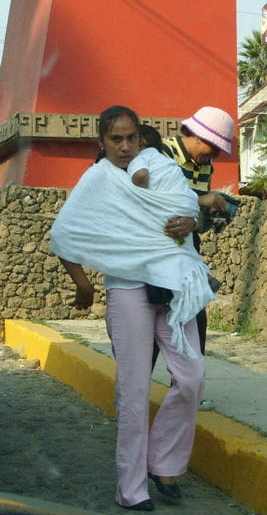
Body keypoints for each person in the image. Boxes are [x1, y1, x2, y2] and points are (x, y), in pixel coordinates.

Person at [51, 105, 215, 510]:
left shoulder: (162, 167)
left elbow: (188, 207)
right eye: (115, 139)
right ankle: (132, 488)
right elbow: (64, 232)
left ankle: (163, 462)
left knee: (192, 376)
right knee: (134, 391)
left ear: (140, 139)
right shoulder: (98, 180)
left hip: (173, 288)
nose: (124, 147)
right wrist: (83, 283)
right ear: (102, 143)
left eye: (130, 138)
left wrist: (190, 223)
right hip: (127, 290)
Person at [159, 106, 235, 410]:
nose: (214, 155)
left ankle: (189, 388)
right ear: (200, 136)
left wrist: (208, 215)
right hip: (157, 253)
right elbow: (159, 199)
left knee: (195, 318)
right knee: (156, 322)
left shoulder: (206, 166)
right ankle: (134, 391)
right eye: (213, 148)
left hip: (187, 254)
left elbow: (196, 218)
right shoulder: (161, 152)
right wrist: (199, 199)